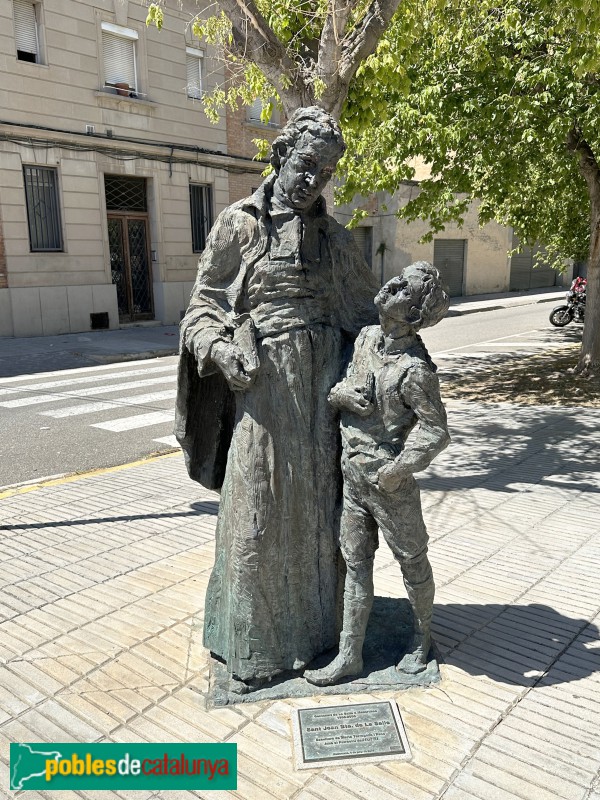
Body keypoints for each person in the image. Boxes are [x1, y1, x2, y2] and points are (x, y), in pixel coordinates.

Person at [175, 107, 379, 690]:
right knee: (255, 516)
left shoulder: (336, 240)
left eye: (328, 172)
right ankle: (253, 650)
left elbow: (365, 316)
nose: (315, 180)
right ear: (282, 154)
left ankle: (319, 639)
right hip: (262, 391)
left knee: (320, 522)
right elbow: (202, 309)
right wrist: (218, 351)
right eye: (308, 165)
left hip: (324, 397)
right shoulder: (238, 226)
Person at [304, 262, 450, 686]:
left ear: (415, 315)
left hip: (390, 485)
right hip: (353, 476)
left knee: (412, 561)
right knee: (355, 563)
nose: (393, 284)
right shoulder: (367, 337)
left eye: (406, 288)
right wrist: (340, 394)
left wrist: (397, 469)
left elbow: (435, 429)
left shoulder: (415, 369)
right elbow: (341, 388)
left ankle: (422, 638)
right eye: (399, 277)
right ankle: (350, 654)